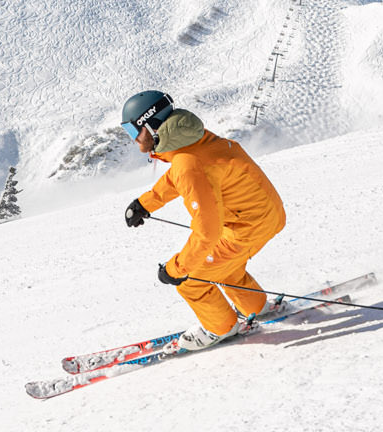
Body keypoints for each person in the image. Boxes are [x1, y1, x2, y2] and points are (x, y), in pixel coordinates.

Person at [117, 89, 288, 349]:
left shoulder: (188, 163)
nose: (133, 140)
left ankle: (220, 328)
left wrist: (175, 270)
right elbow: (181, 174)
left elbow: (207, 232)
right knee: (225, 267)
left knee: (192, 278)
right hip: (261, 215)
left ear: (151, 126)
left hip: (247, 226)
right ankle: (256, 307)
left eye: (132, 131)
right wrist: (145, 203)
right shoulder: (192, 142)